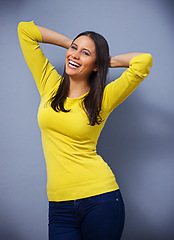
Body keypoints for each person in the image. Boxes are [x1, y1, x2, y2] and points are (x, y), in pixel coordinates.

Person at [17, 20, 153, 240]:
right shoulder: (49, 85)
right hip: (59, 205)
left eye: (85, 53)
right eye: (74, 49)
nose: (75, 56)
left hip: (100, 200)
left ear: (96, 65)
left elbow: (143, 61)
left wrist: (106, 61)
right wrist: (71, 45)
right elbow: (25, 30)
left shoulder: (103, 99)